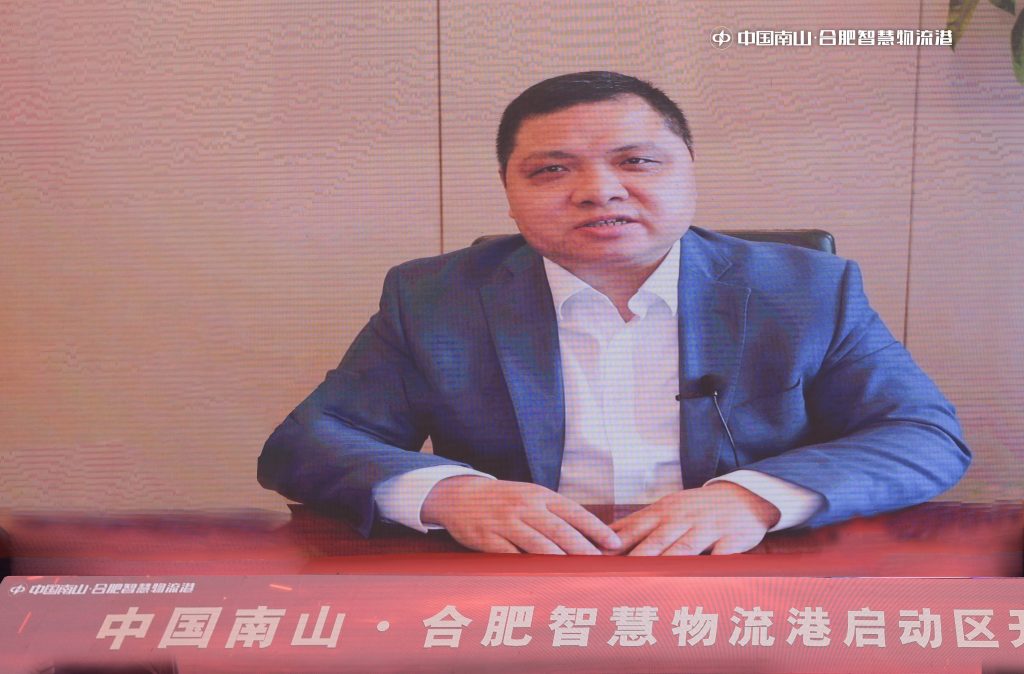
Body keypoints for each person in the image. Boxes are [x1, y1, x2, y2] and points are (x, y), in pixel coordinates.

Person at [258, 71, 970, 556]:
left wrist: (754, 499)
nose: (599, 191)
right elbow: (309, 444)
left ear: (689, 169)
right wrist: (451, 494)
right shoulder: (436, 298)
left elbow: (922, 436)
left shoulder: (807, 288)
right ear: (507, 190)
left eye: (637, 161)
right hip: (521, 582)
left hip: (746, 573)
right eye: (551, 169)